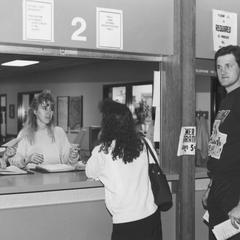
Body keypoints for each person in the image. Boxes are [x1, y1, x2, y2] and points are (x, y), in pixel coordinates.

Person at [86, 99, 162, 240]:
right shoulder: (144, 143)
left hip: (126, 222)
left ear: (106, 125)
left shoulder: (103, 151)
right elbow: (156, 164)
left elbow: (90, 172)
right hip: (151, 216)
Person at [202, 45, 240, 239]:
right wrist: (211, 187)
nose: (223, 71)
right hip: (219, 189)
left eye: (228, 65)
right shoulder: (226, 101)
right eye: (219, 67)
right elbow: (221, 150)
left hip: (235, 192)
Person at [2, 89, 79, 169]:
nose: (48, 112)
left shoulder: (59, 132)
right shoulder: (25, 134)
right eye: (44, 108)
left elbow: (67, 160)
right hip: (32, 180)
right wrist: (28, 159)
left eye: (51, 109)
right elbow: (15, 162)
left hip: (56, 179)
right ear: (35, 111)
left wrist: (72, 156)